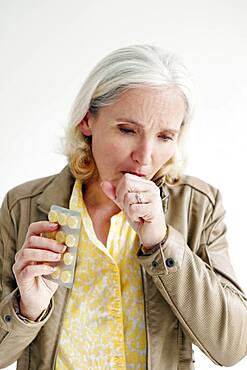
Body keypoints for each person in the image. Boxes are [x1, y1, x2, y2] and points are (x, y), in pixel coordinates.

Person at [0, 45, 246, 370]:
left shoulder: (199, 206)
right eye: (128, 130)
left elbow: (232, 347)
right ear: (87, 120)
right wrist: (26, 308)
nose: (145, 157)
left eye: (164, 136)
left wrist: (160, 241)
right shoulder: (24, 206)